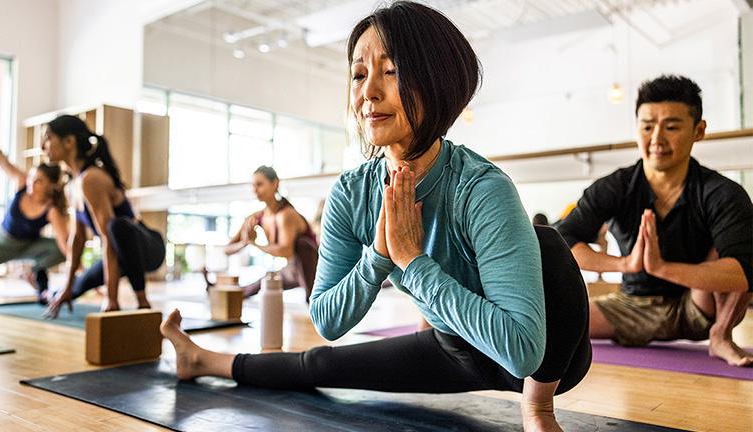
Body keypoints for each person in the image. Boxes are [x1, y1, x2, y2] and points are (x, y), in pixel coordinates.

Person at [161, 3, 590, 431]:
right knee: (322, 365)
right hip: (452, 348)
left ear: (434, 80)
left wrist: (413, 262)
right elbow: (327, 321)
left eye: (391, 71)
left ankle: (539, 409)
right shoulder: (352, 192)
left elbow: (521, 351)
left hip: (544, 357)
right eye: (359, 74)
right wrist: (379, 255)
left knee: (549, 243)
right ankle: (201, 359)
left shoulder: (481, 187)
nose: (368, 92)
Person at [558, 75, 753, 367]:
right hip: (631, 305)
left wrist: (663, 268)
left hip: (698, 303)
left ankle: (721, 336)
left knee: (738, 251)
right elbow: (562, 240)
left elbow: (745, 272)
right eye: (647, 126)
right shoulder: (615, 187)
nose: (657, 139)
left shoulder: (721, 193)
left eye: (671, 127)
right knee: (559, 323)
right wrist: (624, 264)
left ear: (698, 131)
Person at [41, 115, 165, 316]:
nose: (42, 146)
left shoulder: (91, 179)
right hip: (120, 254)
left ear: (69, 141)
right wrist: (67, 286)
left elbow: (108, 236)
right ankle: (53, 292)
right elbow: (78, 239)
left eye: (48, 138)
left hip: (148, 248)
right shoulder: (72, 186)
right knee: (74, 289)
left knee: (117, 227)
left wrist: (111, 297)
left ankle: (143, 302)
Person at [204, 166, 318, 303]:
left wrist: (255, 244)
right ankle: (221, 295)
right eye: (253, 186)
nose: (255, 190)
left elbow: (285, 251)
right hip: (292, 269)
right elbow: (227, 250)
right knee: (262, 282)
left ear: (275, 184)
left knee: (302, 247)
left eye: (260, 184)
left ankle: (314, 302)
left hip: (314, 268)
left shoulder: (286, 215)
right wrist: (245, 242)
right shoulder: (256, 218)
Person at [0, 131, 68, 303]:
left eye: (38, 181)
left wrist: (79, 272)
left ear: (50, 186)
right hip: (1, 243)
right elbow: (2, 160)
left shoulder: (51, 209)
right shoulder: (22, 184)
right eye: (32, 178)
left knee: (60, 250)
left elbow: (65, 243)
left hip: (29, 247)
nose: (32, 184)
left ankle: (33, 272)